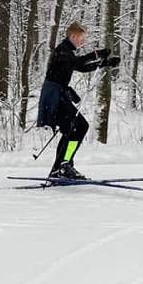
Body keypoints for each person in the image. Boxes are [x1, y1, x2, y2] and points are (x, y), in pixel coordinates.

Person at [37, 21, 120, 179]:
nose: (83, 41)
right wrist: (97, 54)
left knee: (74, 128)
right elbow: (77, 63)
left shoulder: (67, 51)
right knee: (79, 127)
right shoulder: (62, 51)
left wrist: (105, 63)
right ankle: (64, 165)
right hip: (54, 96)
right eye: (81, 38)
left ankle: (61, 167)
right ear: (73, 36)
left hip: (57, 95)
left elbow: (81, 67)